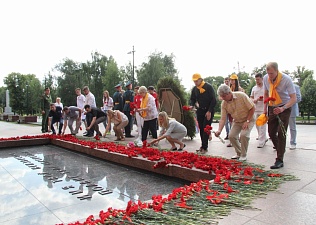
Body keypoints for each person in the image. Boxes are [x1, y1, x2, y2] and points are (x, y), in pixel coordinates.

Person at [263, 62, 296, 169]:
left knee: (281, 133)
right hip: (272, 106)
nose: (270, 76)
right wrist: (265, 109)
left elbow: (293, 98)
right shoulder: (265, 78)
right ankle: (280, 150)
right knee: (271, 132)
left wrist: (282, 108)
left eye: (272, 73)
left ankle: (279, 159)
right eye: (268, 73)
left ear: (277, 71)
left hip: (284, 106)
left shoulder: (286, 80)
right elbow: (266, 93)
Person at [214, 84, 255, 161]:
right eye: (221, 96)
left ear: (229, 93)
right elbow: (223, 119)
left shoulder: (241, 96)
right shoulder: (224, 103)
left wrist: (247, 121)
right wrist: (219, 130)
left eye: (223, 96)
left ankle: (243, 155)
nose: (222, 98)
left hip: (249, 119)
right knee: (231, 136)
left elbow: (252, 108)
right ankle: (239, 153)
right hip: (237, 121)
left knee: (244, 135)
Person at [189, 73, 216, 154]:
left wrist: (209, 111)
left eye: (197, 81)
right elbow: (192, 99)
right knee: (201, 128)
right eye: (194, 81)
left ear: (201, 79)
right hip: (200, 110)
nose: (195, 82)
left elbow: (213, 100)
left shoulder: (208, 87)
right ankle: (203, 145)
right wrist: (191, 105)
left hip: (209, 110)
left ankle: (205, 147)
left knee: (206, 128)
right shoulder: (195, 89)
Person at [250, 73, 268, 148]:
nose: (257, 81)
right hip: (256, 108)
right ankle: (263, 137)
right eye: (256, 79)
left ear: (262, 79)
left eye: (258, 79)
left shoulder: (266, 87)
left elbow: (268, 96)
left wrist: (262, 99)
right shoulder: (254, 88)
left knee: (263, 125)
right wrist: (253, 100)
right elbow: (251, 97)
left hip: (263, 108)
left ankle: (261, 141)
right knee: (257, 125)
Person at [289, 84, 301, 150]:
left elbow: (298, 98)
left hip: (292, 110)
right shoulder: (281, 87)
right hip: (282, 110)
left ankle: (293, 143)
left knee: (292, 128)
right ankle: (280, 143)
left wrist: (289, 101)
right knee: (281, 127)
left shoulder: (295, 87)